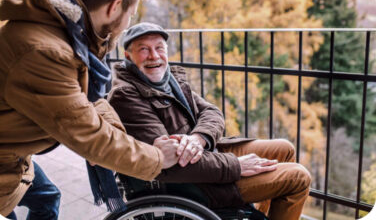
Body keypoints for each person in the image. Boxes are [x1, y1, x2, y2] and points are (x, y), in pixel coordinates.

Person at [0, 0, 179, 219]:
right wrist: (157, 159)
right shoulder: (44, 51)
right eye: (130, 14)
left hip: (10, 150)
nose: (127, 23)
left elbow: (89, 97)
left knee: (48, 198)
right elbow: (88, 134)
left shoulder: (66, 30)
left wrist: (121, 135)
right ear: (114, 7)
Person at [108, 22, 313, 220]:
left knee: (284, 149)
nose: (154, 56)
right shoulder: (126, 95)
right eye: (143, 49)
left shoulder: (168, 80)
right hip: (194, 184)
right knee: (298, 178)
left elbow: (211, 111)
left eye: (159, 48)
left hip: (205, 156)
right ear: (128, 56)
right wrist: (235, 166)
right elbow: (166, 166)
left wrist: (198, 138)